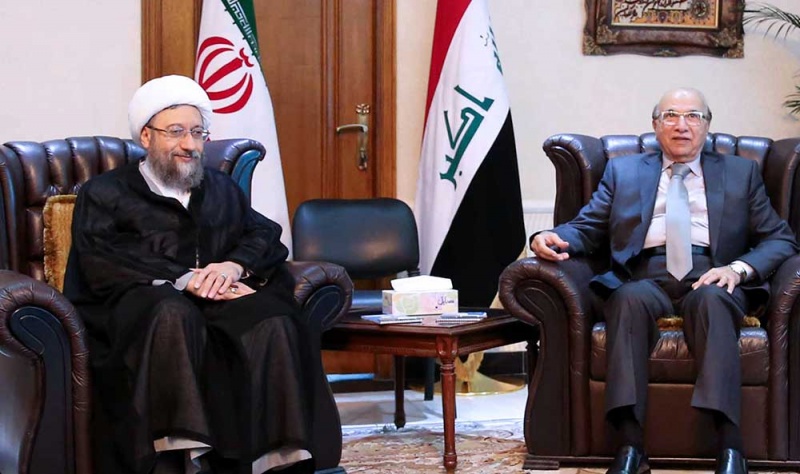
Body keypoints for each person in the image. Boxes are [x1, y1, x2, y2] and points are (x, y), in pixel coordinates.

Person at [531, 87, 798, 474]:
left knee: (711, 300)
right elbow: (586, 228)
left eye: (693, 116)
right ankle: (630, 446)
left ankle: (730, 447)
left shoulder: (741, 173)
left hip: (712, 272)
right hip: (644, 273)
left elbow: (780, 239)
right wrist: (548, 237)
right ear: (656, 125)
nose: (682, 125)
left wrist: (737, 269)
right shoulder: (623, 172)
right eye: (671, 115)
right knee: (627, 300)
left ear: (707, 126)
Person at [63, 75, 317, 474]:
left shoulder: (219, 187)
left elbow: (262, 233)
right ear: (146, 136)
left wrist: (232, 267)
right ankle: (176, 455)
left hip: (216, 303)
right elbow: (103, 257)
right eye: (176, 132)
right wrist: (185, 279)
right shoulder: (105, 192)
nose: (190, 144)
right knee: (172, 313)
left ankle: (277, 455)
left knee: (273, 317)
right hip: (141, 308)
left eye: (197, 133)